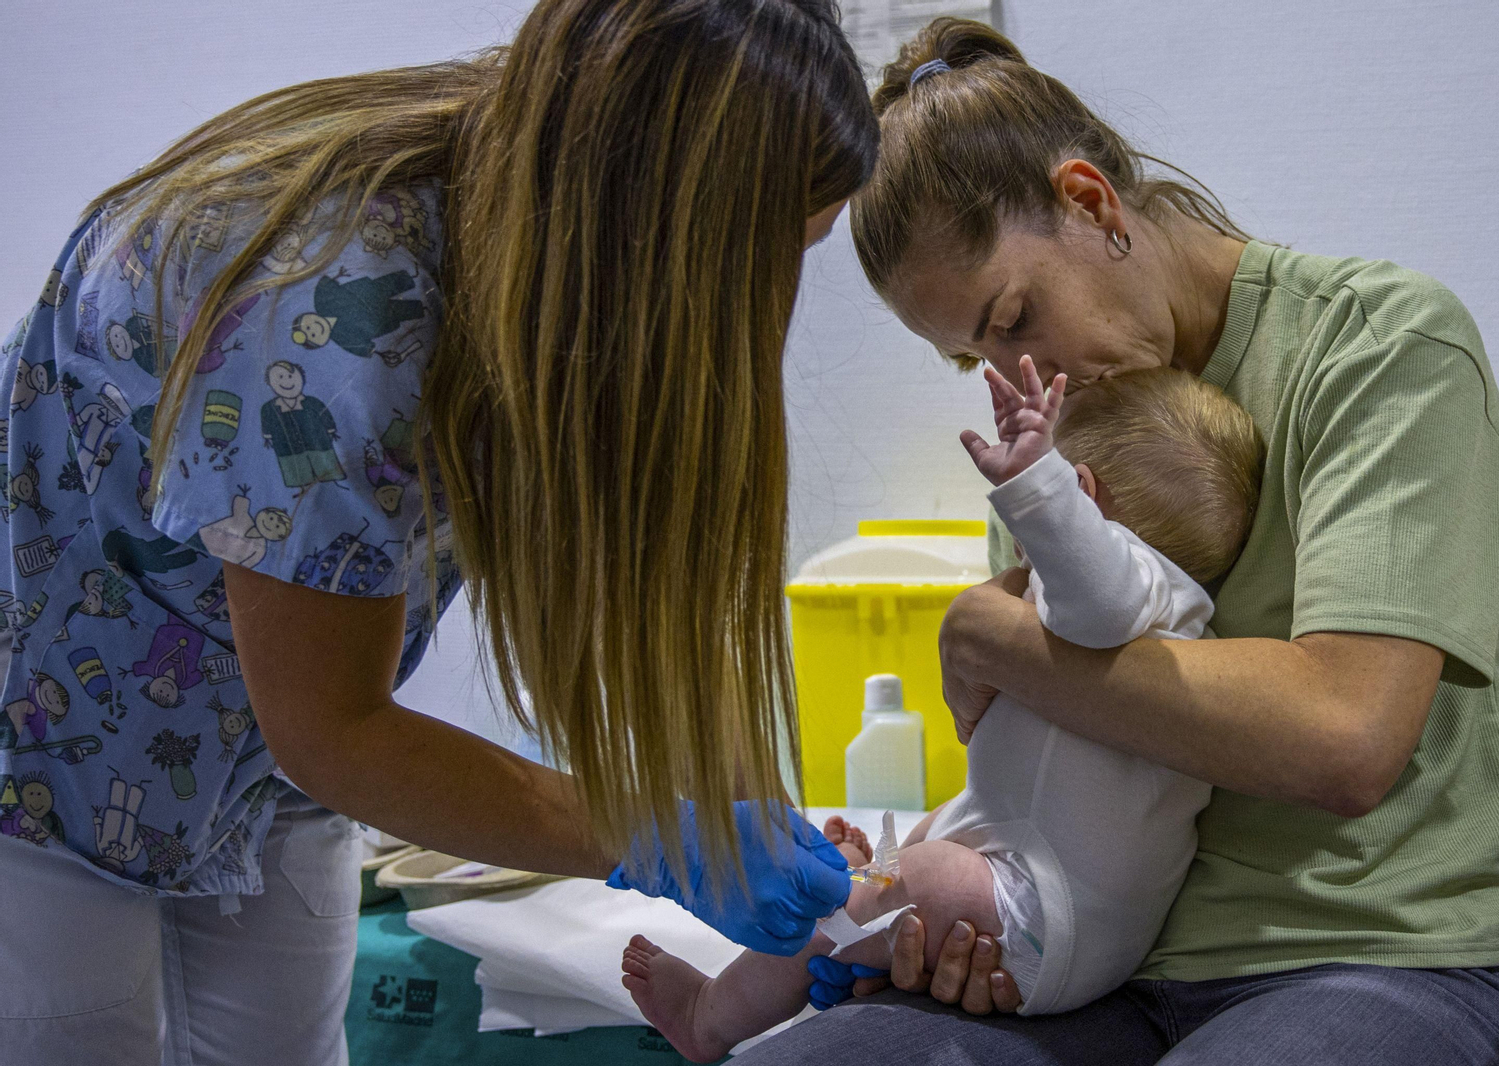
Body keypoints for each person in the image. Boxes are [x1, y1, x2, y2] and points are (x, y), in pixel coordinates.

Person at [0, 2, 876, 1061]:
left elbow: (648, 588)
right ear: (661, 221)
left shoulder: (541, 221)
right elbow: (332, 729)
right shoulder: (334, 313)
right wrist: (658, 837)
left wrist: (738, 809)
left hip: (255, 746)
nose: (766, 309)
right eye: (772, 255)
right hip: (51, 737)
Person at [755, 17, 1499, 1066]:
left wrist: (997, 638)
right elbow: (1050, 736)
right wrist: (963, 911)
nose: (1019, 374)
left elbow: (1344, 738)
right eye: (970, 358)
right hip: (1104, 955)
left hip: (1375, 949)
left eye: (1014, 315)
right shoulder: (1067, 428)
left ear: (1089, 201)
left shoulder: (1383, 345)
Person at [621, 363, 1264, 1061]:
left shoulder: (1139, 592)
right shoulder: (1168, 623)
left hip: (1045, 909)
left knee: (893, 884)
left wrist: (1034, 483)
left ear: (1080, 495)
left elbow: (1098, 588)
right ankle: (864, 878)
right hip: (1061, 905)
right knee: (918, 852)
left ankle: (711, 1014)